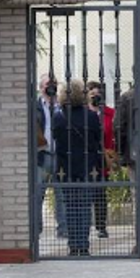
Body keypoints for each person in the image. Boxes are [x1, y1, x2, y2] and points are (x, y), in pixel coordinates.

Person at [53, 79, 102, 257]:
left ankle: (73, 245)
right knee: (85, 206)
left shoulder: (59, 117)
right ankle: (84, 244)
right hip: (87, 166)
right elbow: (97, 139)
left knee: (71, 207)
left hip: (65, 167)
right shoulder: (91, 116)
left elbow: (57, 142)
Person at [36, 74, 68, 238]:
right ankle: (36, 229)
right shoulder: (35, 106)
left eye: (54, 83)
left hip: (60, 154)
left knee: (61, 193)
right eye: (49, 84)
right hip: (42, 154)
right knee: (38, 192)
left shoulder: (62, 105)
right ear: (41, 87)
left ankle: (63, 229)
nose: (52, 87)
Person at [87, 80, 116, 239]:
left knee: (100, 194)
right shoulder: (84, 112)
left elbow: (113, 134)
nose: (95, 97)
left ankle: (101, 226)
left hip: (103, 158)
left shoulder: (109, 113)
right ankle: (83, 225)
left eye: (97, 94)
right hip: (86, 158)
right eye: (92, 94)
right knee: (85, 193)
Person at [114, 61, 140, 179]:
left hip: (135, 150)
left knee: (137, 189)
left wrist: (121, 151)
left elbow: (119, 126)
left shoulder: (127, 96)